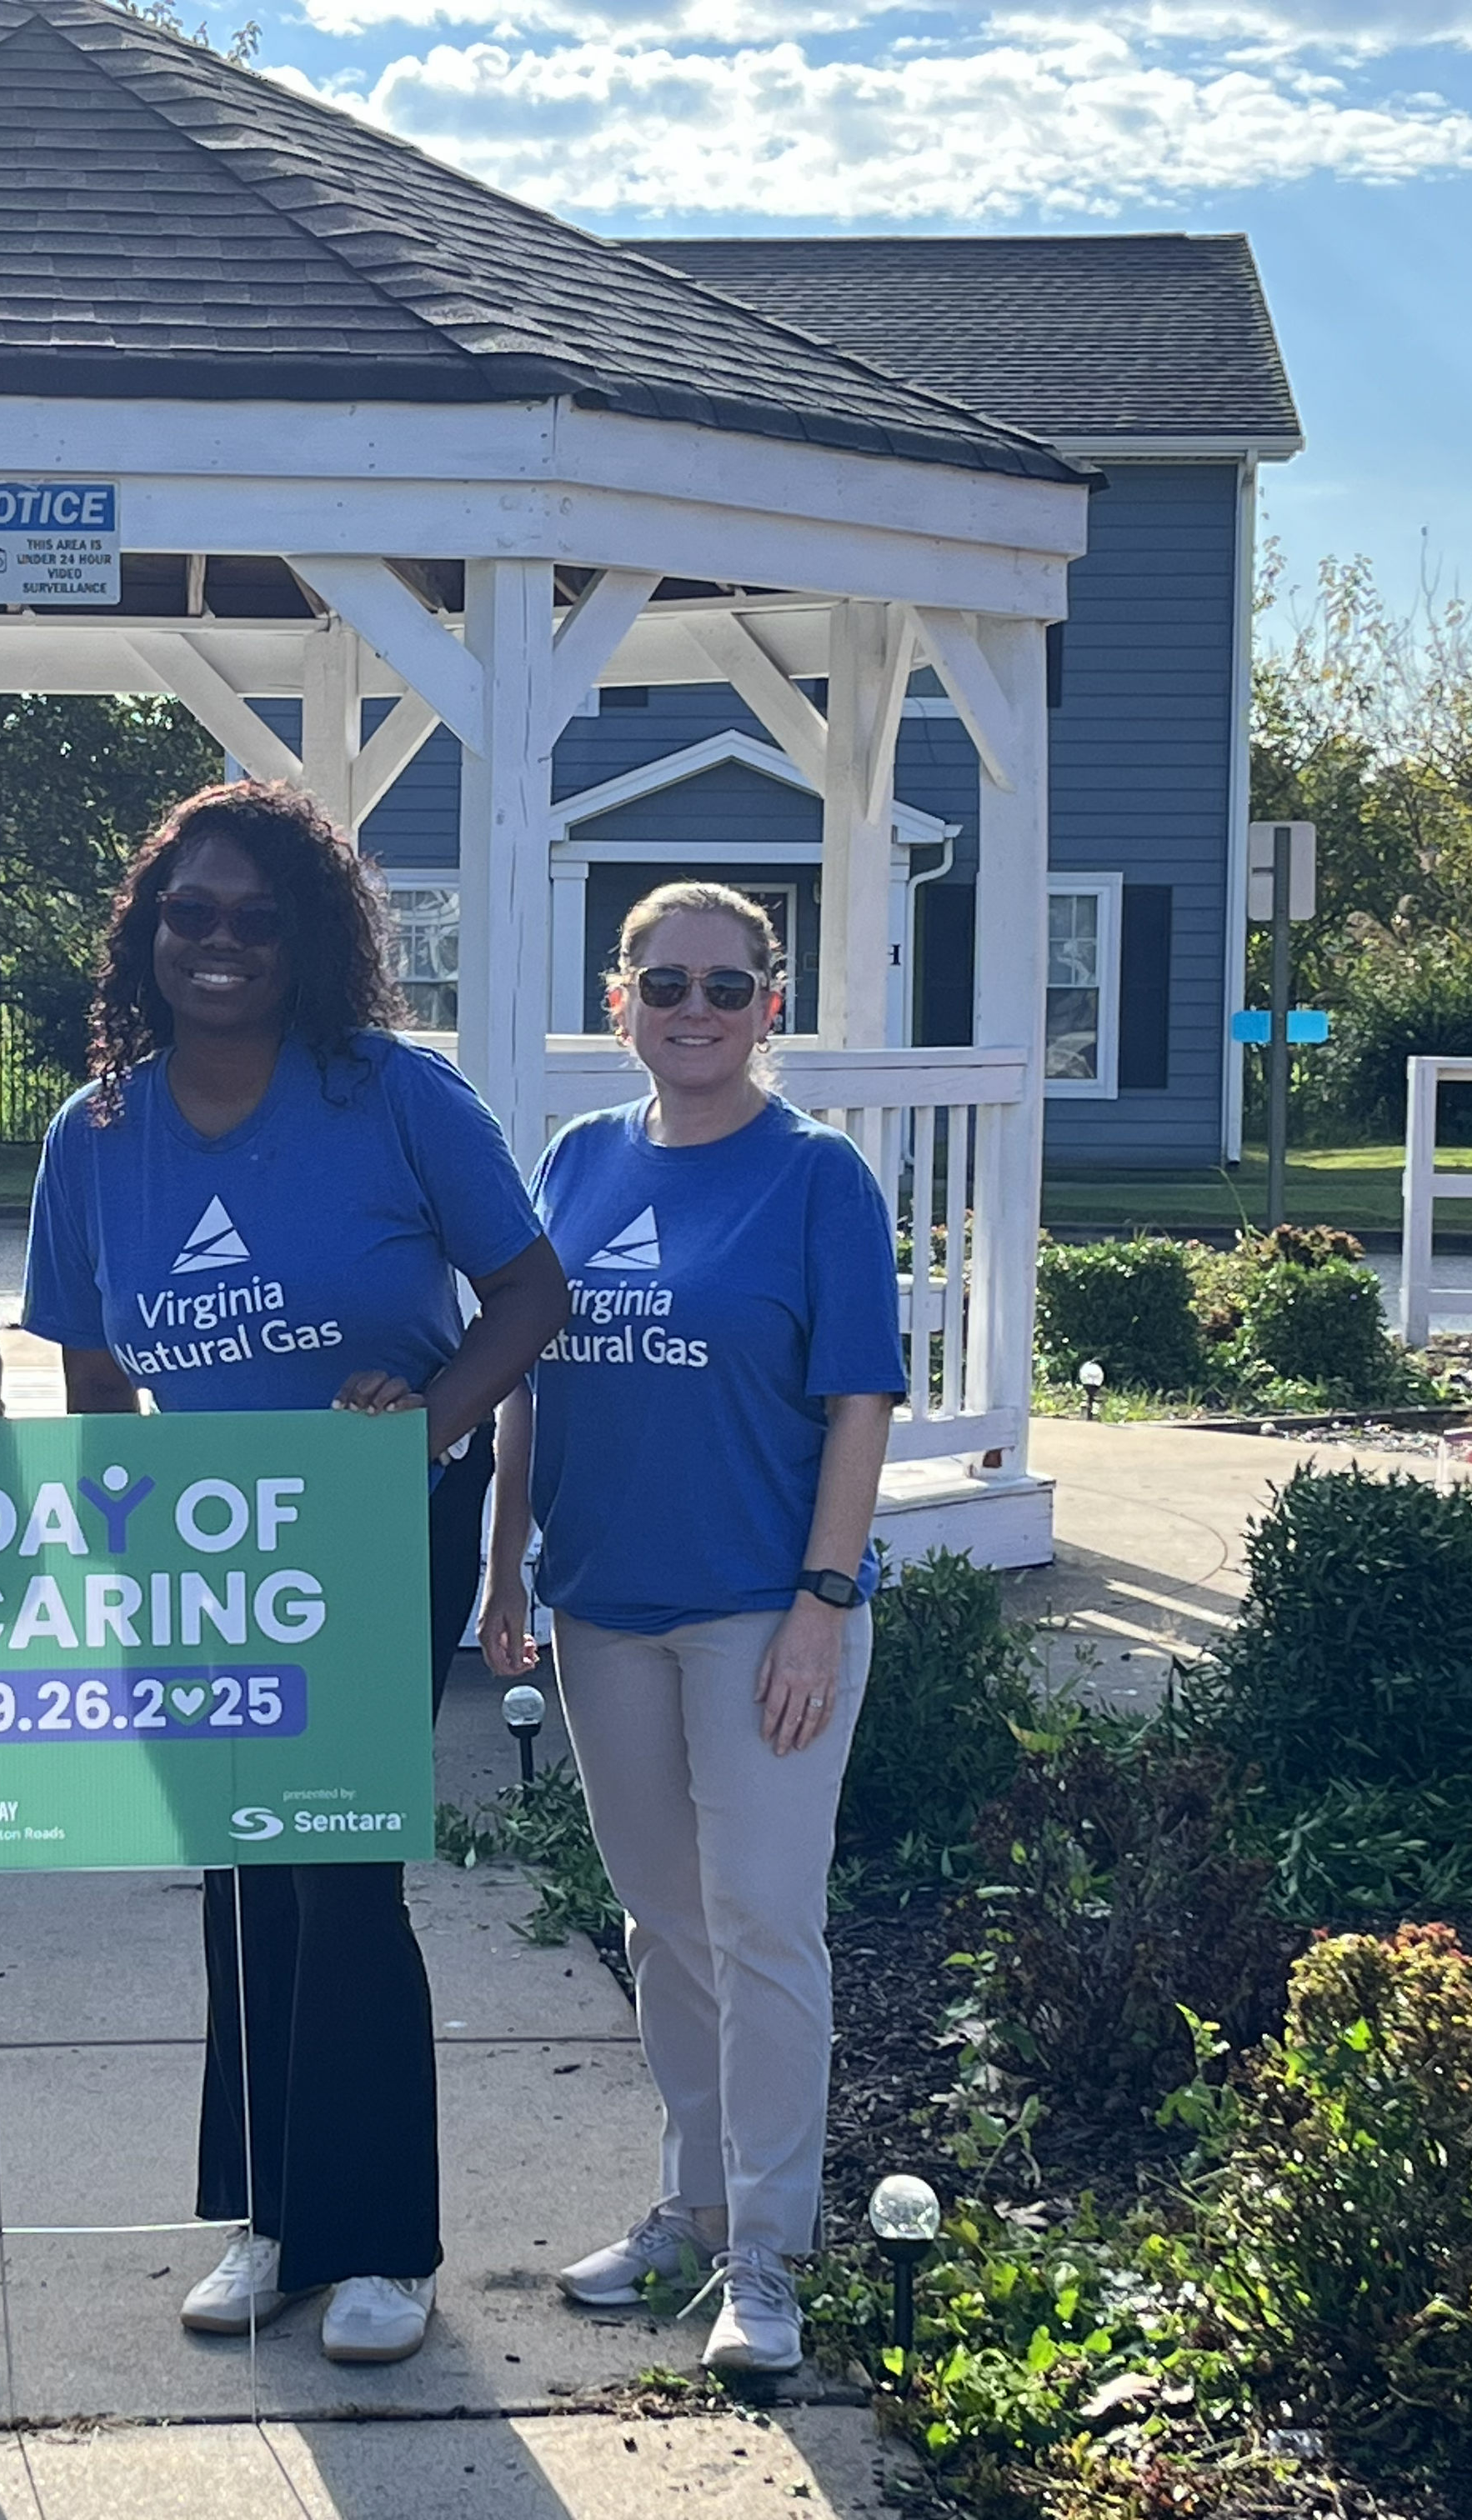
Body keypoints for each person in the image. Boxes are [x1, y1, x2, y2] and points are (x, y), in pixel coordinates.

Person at [22, 782, 568, 2366]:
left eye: (260, 918)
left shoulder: (392, 1094)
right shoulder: (97, 1131)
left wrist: (429, 1440)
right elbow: (94, 1363)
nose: (222, 941)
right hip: (202, 1553)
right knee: (242, 1875)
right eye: (190, 912)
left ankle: (383, 2238)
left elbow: (529, 1294)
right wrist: (111, 1547)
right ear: (148, 930)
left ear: (311, 938)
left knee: (338, 1868)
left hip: (369, 1534)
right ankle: (272, 2219)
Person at [478, 879, 901, 2378]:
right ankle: (692, 2205)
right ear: (621, 1005)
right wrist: (508, 1567)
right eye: (668, 987)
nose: (698, 1012)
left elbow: (862, 1398)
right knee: (666, 1926)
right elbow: (534, 1377)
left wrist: (820, 1605)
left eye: (729, 987)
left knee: (766, 1926)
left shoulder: (817, 1178)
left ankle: (770, 2260)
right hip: (603, 1606)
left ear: (770, 1004)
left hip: (756, 1615)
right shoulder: (580, 1160)